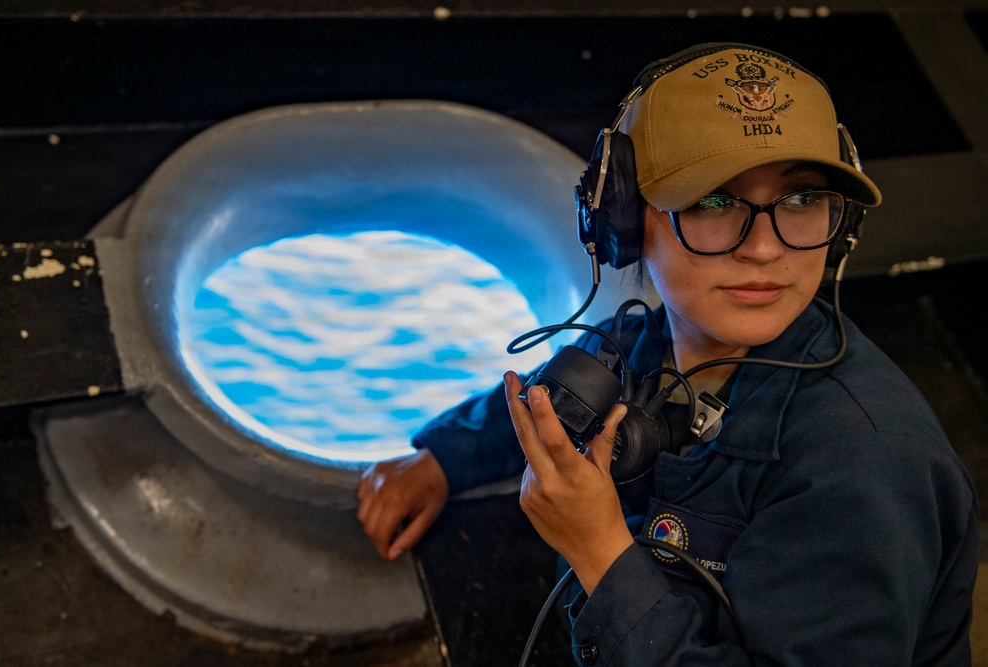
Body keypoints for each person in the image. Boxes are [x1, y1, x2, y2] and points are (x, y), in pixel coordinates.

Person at [356, 43, 979, 665]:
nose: (764, 249)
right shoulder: (656, 340)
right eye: (713, 200)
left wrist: (600, 553)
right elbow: (565, 391)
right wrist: (444, 457)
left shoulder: (862, 467)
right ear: (624, 218)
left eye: (799, 200)